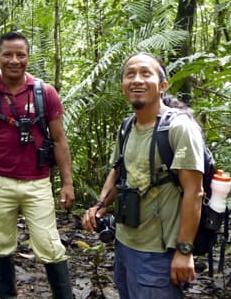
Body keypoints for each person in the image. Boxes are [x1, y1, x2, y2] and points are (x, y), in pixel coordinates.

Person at [0, 32, 75, 299]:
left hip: (38, 182)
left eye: (20, 55)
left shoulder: (45, 93)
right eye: (8, 55)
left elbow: (59, 139)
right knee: (0, 245)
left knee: (50, 245)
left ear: (28, 58)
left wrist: (67, 183)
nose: (14, 60)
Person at [82, 53, 205, 299]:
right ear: (123, 86)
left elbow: (195, 191)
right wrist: (100, 205)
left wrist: (184, 251)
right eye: (130, 74)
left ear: (162, 85)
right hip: (125, 243)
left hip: (159, 253)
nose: (137, 80)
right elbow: (118, 171)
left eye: (145, 73)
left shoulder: (179, 127)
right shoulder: (127, 126)